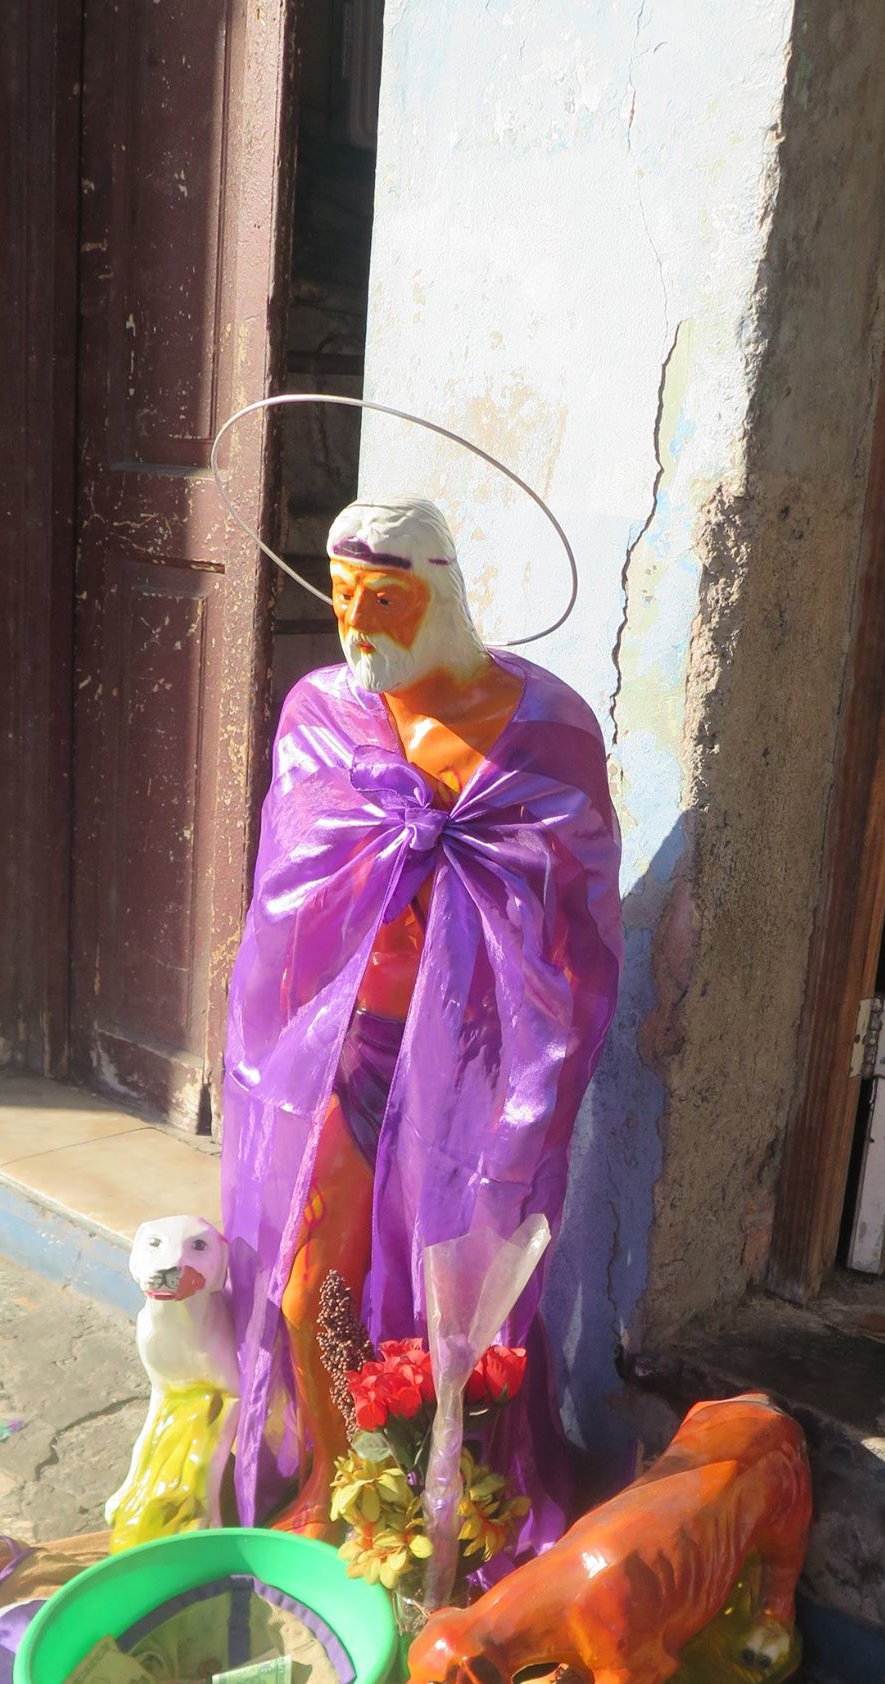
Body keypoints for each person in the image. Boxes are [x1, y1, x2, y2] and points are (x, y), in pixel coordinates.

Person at [221, 499, 623, 1541]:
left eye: (386, 601)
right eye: (344, 597)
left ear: (439, 592)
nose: (360, 627)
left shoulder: (545, 727)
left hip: (476, 1067)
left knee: (455, 1311)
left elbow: (572, 921)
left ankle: (435, 1501)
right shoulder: (323, 711)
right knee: (318, 1291)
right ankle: (336, 1476)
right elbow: (291, 886)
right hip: (355, 1045)